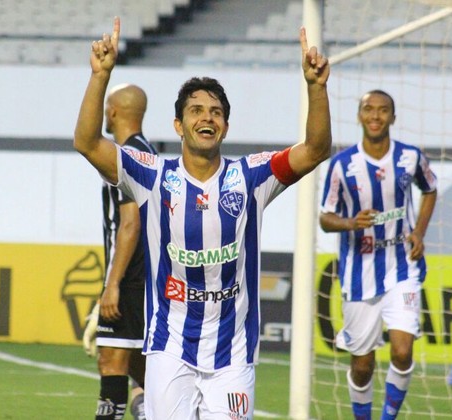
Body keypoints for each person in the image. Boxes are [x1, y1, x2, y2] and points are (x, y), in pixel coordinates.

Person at [74, 17, 331, 419]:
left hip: (232, 355)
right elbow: (87, 142)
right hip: (169, 349)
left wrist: (316, 89)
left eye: (215, 112)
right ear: (179, 125)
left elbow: (315, 149)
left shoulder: (251, 177)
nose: (205, 118)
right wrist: (99, 77)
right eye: (195, 110)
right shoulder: (153, 175)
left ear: (225, 126)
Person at [319, 90, 437, 419]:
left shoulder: (411, 158)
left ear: (393, 118)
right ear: (359, 116)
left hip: (403, 267)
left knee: (402, 351)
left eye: (383, 110)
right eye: (369, 110)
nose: (375, 116)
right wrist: (348, 222)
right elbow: (325, 217)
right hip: (360, 273)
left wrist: (419, 233)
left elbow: (430, 189)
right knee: (362, 365)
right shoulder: (342, 165)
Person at [86, 83, 155, 420]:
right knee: (142, 370)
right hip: (150, 278)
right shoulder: (148, 152)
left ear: (112, 111)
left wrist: (112, 284)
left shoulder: (125, 155)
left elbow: (130, 224)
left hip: (131, 278)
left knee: (111, 362)